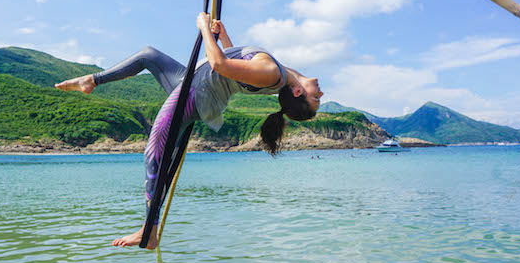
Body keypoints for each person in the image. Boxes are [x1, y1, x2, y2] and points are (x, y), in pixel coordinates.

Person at [55, 13, 323, 249]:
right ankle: (92, 80)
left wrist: (204, 27)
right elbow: (237, 67)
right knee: (148, 54)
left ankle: (149, 231)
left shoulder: (272, 72)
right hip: (192, 81)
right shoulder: (281, 74)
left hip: (194, 94)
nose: (320, 92)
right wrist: (224, 36)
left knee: (155, 154)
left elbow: (219, 65)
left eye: (316, 99)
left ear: (298, 92)